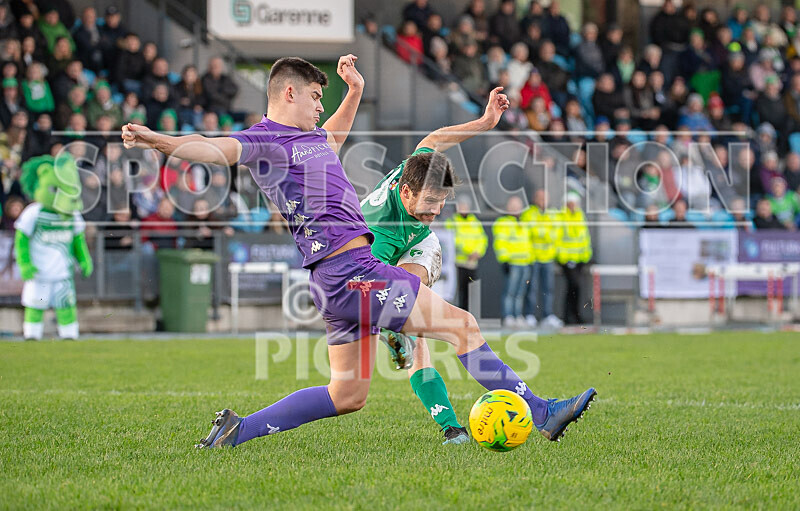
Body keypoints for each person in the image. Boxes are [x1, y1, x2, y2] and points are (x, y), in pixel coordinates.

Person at [122, 55, 595, 447]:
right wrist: (157, 140)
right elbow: (212, 150)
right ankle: (541, 412)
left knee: (347, 393)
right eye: (315, 96)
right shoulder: (265, 138)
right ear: (290, 93)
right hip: (350, 269)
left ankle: (237, 430)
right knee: (462, 325)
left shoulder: (311, 139)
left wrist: (354, 92)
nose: (319, 105)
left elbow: (335, 134)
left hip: (336, 279)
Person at [359, 88, 508, 445]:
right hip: (377, 258)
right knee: (410, 321)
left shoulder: (417, 169)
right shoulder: (374, 236)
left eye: (441, 201)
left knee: (414, 315)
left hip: (416, 243)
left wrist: (486, 122)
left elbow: (434, 139)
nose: (436, 210)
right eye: (430, 201)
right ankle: (450, 427)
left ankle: (399, 330)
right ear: (407, 193)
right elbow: (363, 285)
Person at [521, 189, 563, 329]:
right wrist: (545, 233)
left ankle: (547, 315)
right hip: (533, 257)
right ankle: (530, 315)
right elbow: (528, 233)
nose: (542, 201)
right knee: (531, 288)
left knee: (548, 288)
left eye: (545, 198)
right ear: (534, 199)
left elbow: (556, 233)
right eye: (540, 198)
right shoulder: (528, 214)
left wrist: (541, 233)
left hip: (548, 257)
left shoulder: (553, 214)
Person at [493, 195, 531, 328]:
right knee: (510, 291)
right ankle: (508, 315)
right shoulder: (503, 222)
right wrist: (504, 260)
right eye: (513, 206)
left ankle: (518, 315)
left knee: (520, 292)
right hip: (513, 262)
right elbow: (500, 243)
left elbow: (527, 243)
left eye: (518, 206)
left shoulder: (524, 223)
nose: (515, 209)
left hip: (524, 262)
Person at [445, 196, 487, 311]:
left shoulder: (474, 221)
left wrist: (478, 252)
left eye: (465, 206)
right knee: (456, 291)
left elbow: (482, 239)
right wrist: (468, 252)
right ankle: (454, 314)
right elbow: (452, 240)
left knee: (469, 292)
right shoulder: (452, 221)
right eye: (461, 206)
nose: (463, 208)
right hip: (457, 263)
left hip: (472, 263)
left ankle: (466, 315)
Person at [557, 192, 592, 325]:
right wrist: (563, 258)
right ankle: (568, 316)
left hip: (579, 259)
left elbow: (584, 239)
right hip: (567, 260)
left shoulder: (580, 216)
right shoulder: (561, 217)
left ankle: (574, 315)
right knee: (572, 286)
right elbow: (558, 239)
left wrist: (587, 256)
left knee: (576, 288)